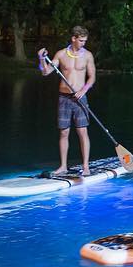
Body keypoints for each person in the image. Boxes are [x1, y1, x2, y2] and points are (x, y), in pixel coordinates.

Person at [37, 25, 96, 175]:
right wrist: (41, 59)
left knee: (82, 131)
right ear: (73, 38)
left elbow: (92, 77)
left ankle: (86, 166)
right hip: (64, 98)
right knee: (64, 132)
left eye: (85, 41)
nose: (84, 43)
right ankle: (63, 166)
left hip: (80, 98)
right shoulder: (61, 54)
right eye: (81, 40)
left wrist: (83, 90)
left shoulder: (88, 55)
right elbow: (45, 72)